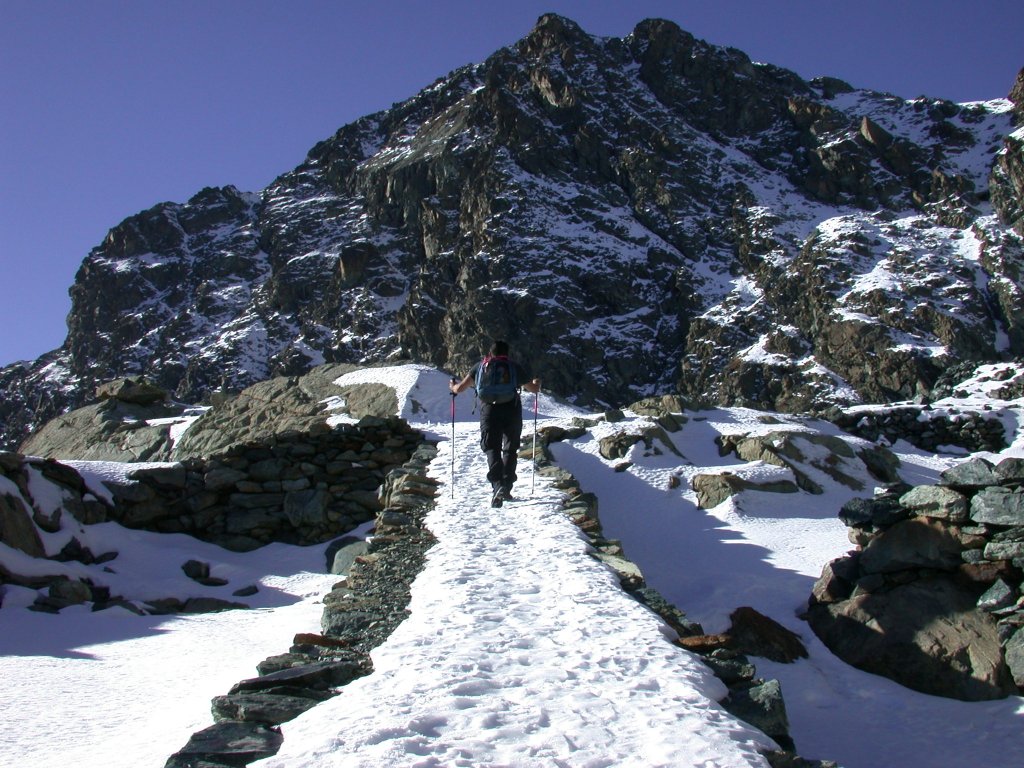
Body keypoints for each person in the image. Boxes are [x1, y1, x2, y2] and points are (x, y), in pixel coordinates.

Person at [449, 340, 541, 507]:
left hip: (489, 410)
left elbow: (461, 388)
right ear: (507, 353)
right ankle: (507, 487)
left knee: (492, 447)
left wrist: (453, 387)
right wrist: (536, 384)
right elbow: (533, 390)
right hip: (512, 409)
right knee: (510, 447)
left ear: (490, 353)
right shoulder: (513, 367)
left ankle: (497, 485)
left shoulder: (481, 366)